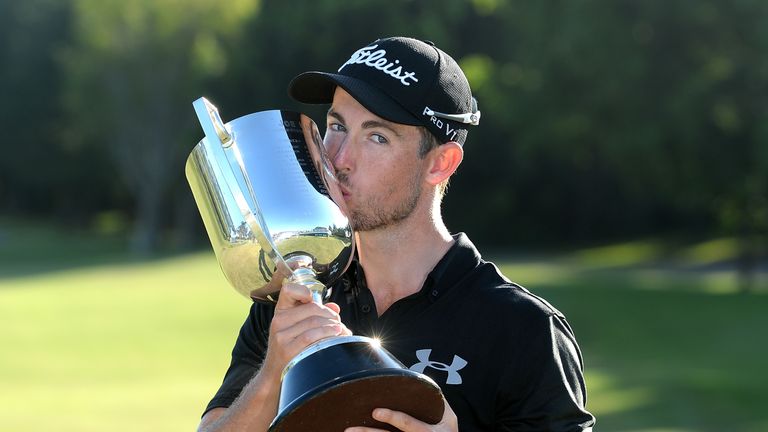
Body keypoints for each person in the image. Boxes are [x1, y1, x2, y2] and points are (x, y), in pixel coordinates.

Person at [197, 36, 595, 432]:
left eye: (377, 136)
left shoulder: (522, 329)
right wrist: (272, 376)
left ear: (440, 163)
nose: (337, 159)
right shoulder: (289, 304)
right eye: (336, 125)